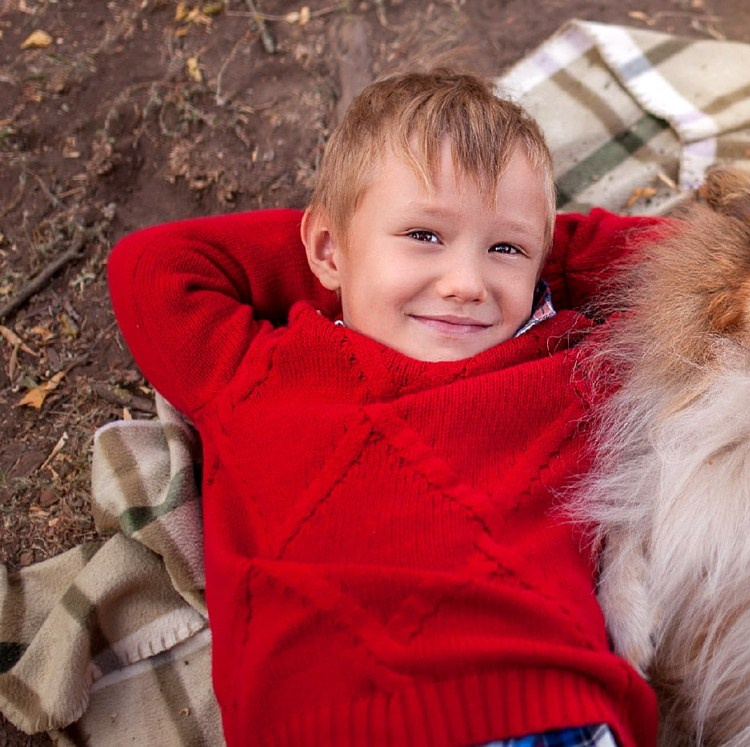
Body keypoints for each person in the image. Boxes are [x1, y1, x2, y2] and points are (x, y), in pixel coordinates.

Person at [108, 68, 661, 747]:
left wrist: (541, 247)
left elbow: (690, 266)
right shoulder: (261, 369)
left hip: (548, 711)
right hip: (327, 726)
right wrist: (354, 245)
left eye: (504, 249)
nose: (466, 283)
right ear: (325, 248)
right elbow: (151, 264)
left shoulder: (571, 365)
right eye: (424, 235)